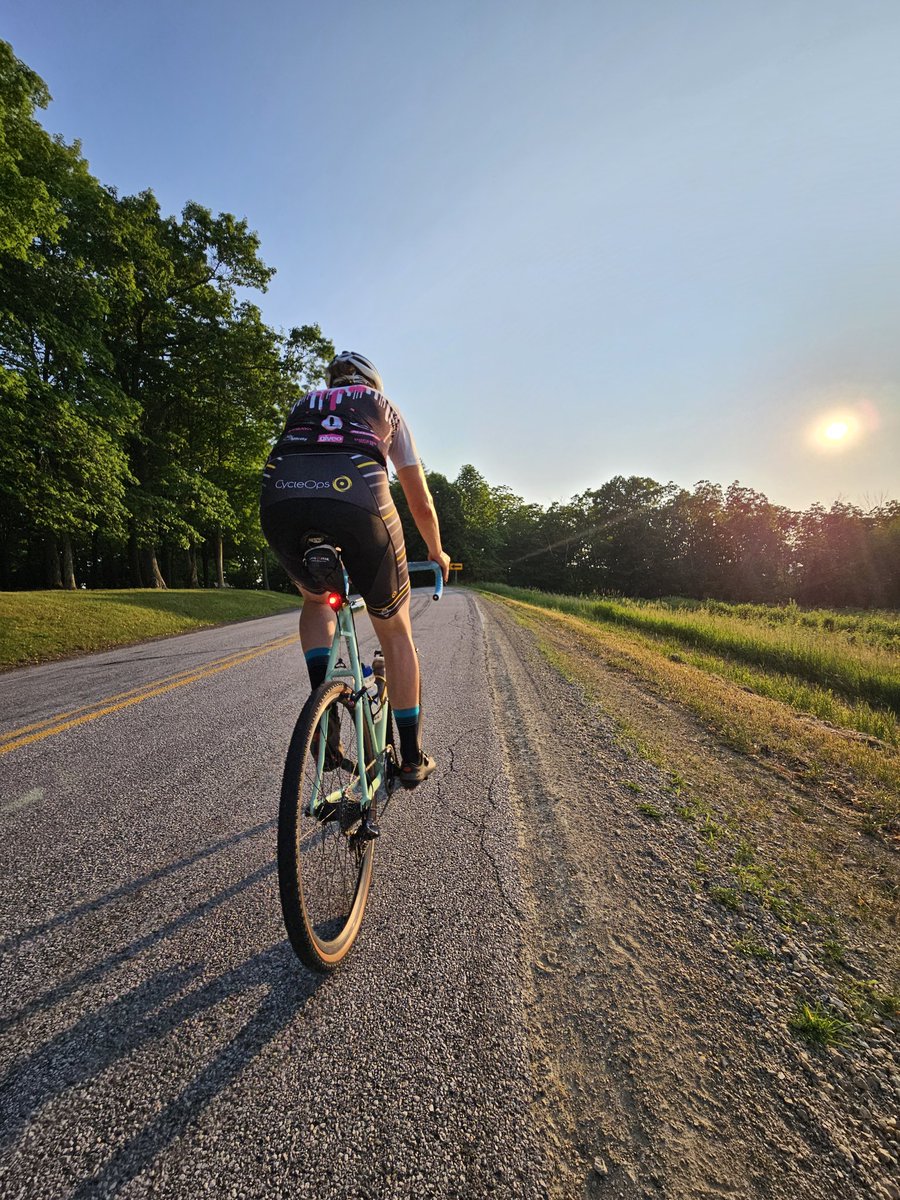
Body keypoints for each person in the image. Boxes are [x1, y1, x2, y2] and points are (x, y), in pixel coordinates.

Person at [260, 350, 450, 787]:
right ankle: (411, 756)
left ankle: (323, 720)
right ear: (372, 383)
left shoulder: (303, 404)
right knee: (395, 629)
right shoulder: (386, 409)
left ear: (332, 383)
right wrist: (436, 551)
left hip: (281, 501)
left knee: (315, 601)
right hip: (358, 500)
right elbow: (420, 501)